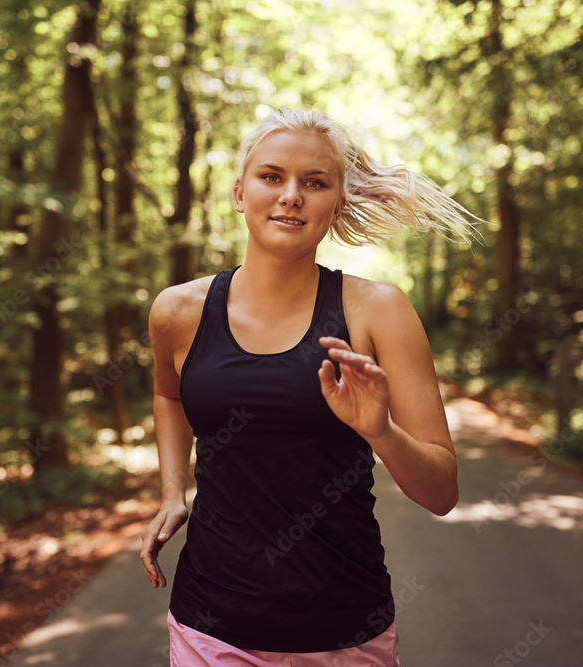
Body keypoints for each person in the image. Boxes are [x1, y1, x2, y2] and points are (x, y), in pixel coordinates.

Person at [140, 107, 483, 666]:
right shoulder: (178, 311)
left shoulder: (380, 311)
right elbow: (168, 393)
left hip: (346, 627)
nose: (291, 195)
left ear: (337, 203)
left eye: (314, 182)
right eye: (271, 176)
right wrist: (172, 492)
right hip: (211, 624)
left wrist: (382, 432)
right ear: (239, 191)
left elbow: (442, 493)